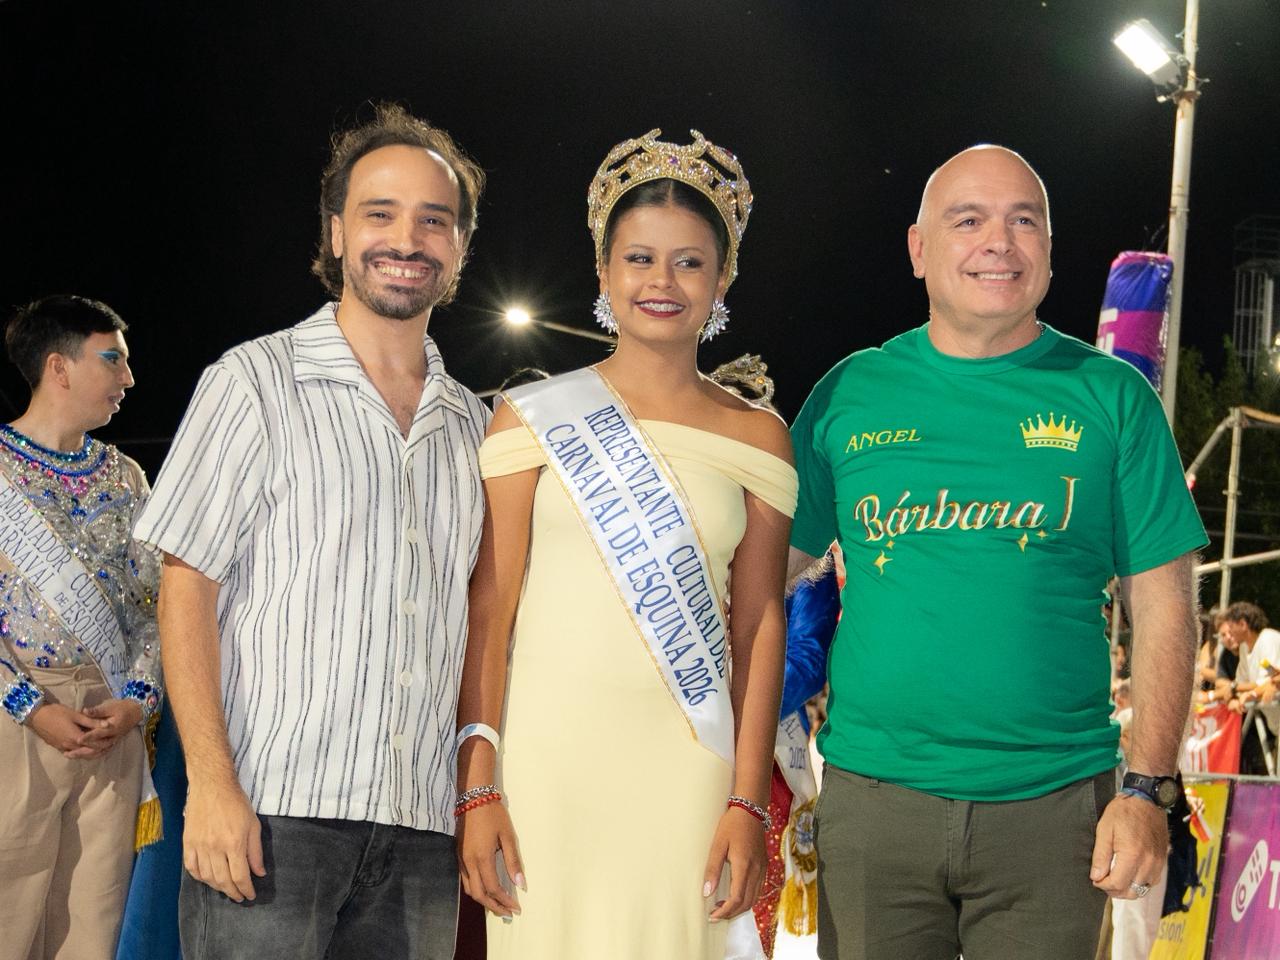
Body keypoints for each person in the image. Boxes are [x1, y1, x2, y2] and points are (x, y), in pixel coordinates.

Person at [788, 145, 1206, 960]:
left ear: (1049, 248)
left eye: (1024, 221)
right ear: (918, 249)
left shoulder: (1113, 397)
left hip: (1055, 813)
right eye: (969, 220)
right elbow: (756, 580)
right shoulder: (849, 392)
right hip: (875, 806)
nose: (999, 242)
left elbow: (1164, 608)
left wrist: (1149, 789)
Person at [132, 103, 490, 959]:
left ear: (459, 246)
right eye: (380, 213)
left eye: (433, 220)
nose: (406, 240)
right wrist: (210, 786)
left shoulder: (477, 427)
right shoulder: (254, 381)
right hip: (270, 815)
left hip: (420, 830)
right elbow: (186, 589)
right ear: (335, 232)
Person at [455, 129, 796, 960]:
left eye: (689, 262)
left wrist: (747, 802)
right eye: (639, 259)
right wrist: (478, 785)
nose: (662, 283)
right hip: (546, 770)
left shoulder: (759, 436)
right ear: (604, 272)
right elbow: (491, 608)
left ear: (723, 279)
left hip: (689, 773)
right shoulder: (529, 417)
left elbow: (759, 625)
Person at [0, 294, 162, 960]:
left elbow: (155, 607)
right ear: (58, 366)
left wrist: (137, 700)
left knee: (92, 923)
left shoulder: (125, 477)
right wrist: (30, 705)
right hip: (14, 719)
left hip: (109, 726)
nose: (128, 378)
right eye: (112, 359)